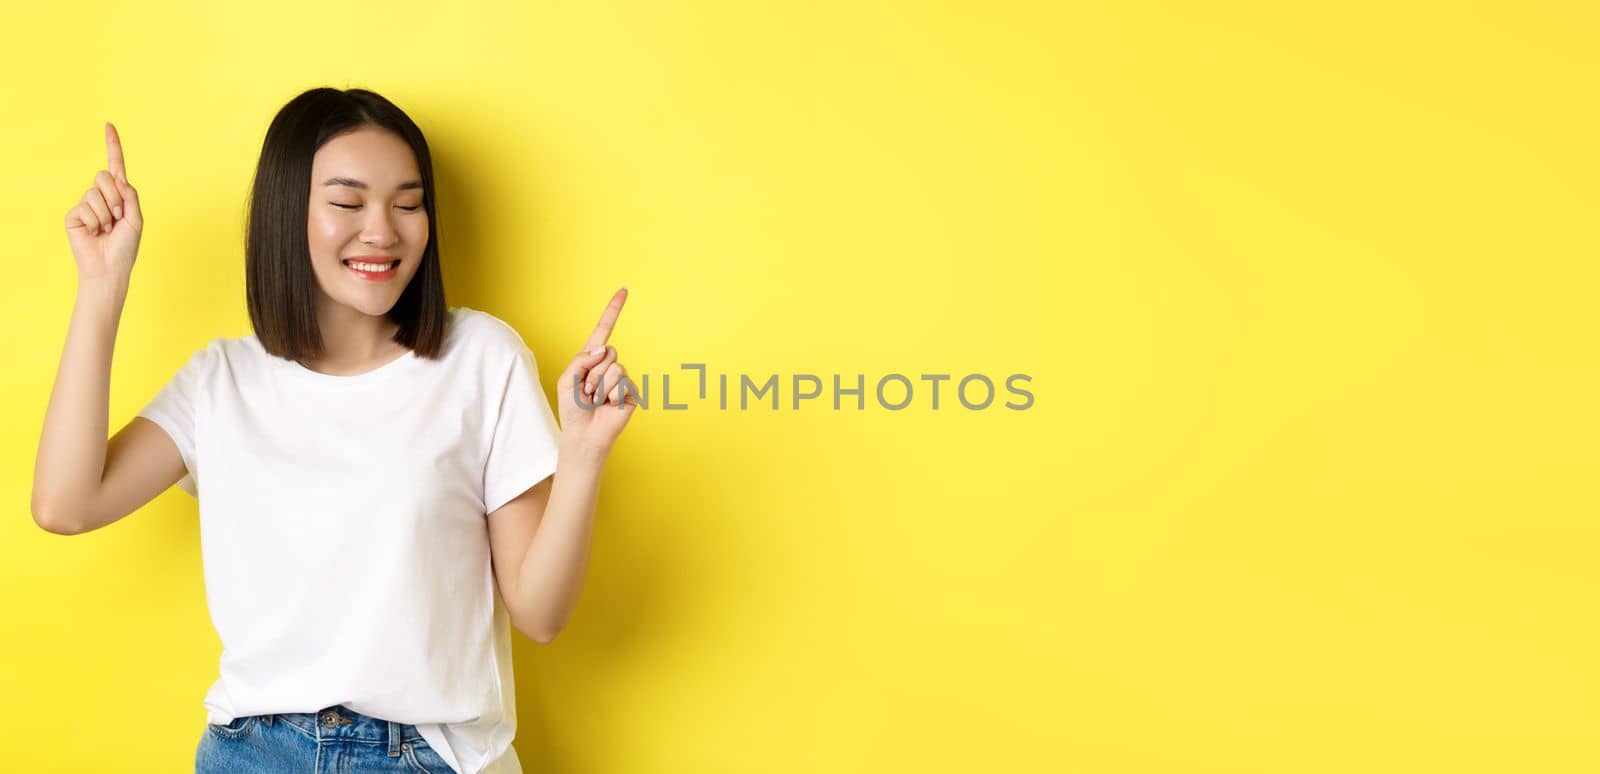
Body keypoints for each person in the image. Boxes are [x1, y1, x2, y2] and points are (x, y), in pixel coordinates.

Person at [31, 87, 639, 774]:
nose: (382, 231)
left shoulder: (481, 358)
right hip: (251, 753)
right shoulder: (221, 381)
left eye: (408, 204)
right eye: (348, 203)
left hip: (426, 755)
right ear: (288, 214)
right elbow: (65, 505)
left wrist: (583, 455)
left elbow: (540, 613)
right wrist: (102, 284)